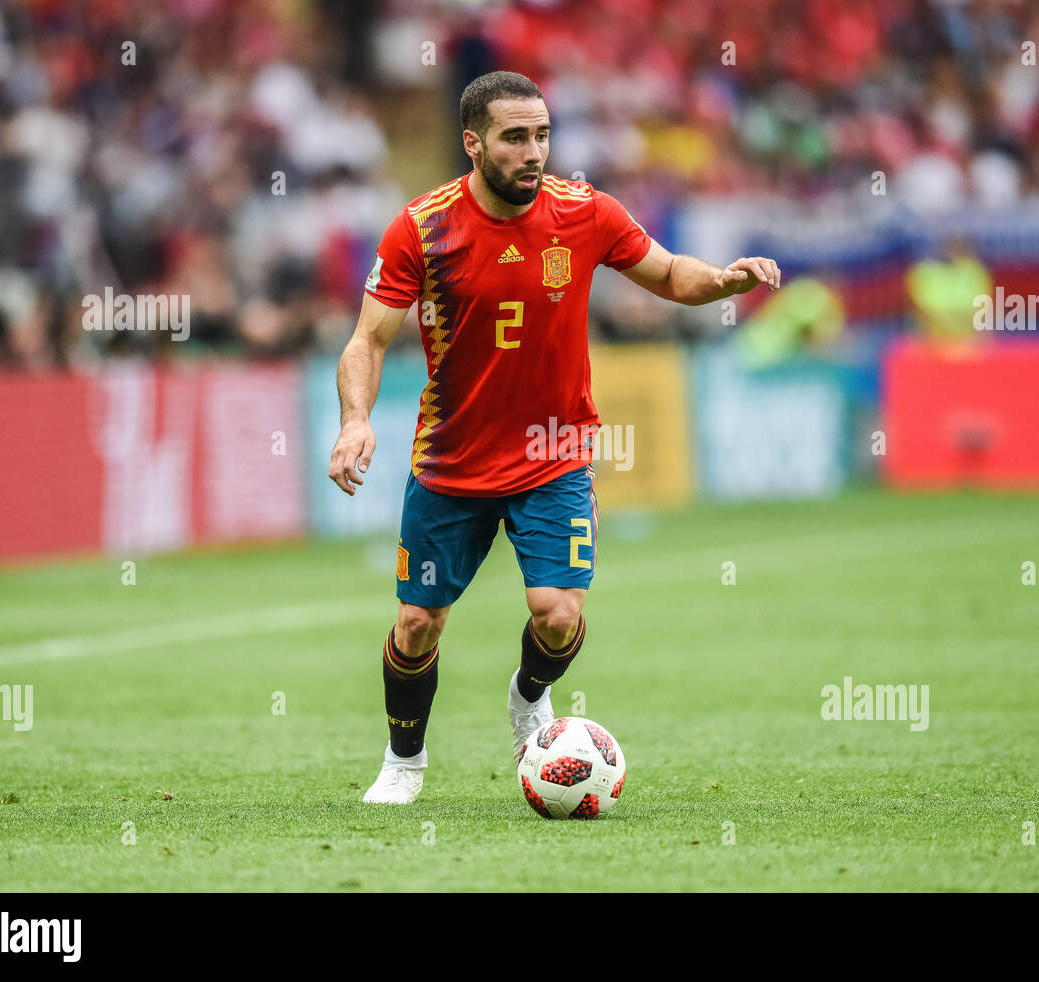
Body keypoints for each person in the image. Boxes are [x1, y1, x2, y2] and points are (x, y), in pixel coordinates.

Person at [327, 71, 781, 804]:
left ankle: (528, 694)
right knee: (416, 623)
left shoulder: (585, 211)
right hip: (453, 457)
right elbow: (367, 341)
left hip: (554, 452)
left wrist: (724, 283)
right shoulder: (422, 226)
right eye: (514, 137)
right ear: (473, 144)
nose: (533, 151)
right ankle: (404, 761)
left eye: (541, 134)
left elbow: (668, 274)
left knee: (559, 614)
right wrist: (356, 421)